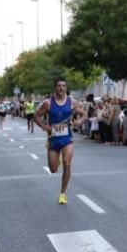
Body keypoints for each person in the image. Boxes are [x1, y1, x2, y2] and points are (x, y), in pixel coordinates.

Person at [34, 77, 87, 205]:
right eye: (59, 86)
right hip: (53, 139)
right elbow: (36, 116)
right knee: (53, 169)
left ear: (66, 88)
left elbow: (84, 114)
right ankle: (56, 160)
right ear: (55, 88)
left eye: (63, 86)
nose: (61, 88)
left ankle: (63, 194)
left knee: (67, 163)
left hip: (67, 138)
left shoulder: (72, 102)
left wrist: (80, 121)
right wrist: (43, 126)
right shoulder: (48, 103)